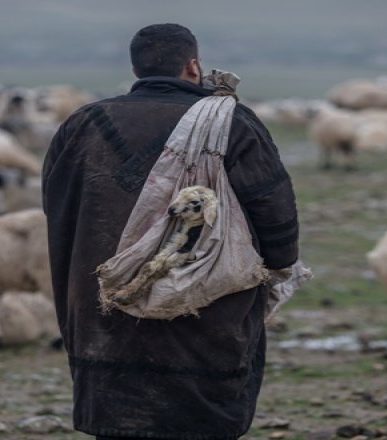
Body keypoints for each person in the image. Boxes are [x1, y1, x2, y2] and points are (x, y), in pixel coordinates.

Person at [42, 23, 299, 440]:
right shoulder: (230, 123)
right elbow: (274, 208)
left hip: (103, 307)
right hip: (208, 309)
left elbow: (57, 208)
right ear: (193, 65)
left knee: (119, 419)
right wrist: (278, 266)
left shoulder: (82, 125)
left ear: (136, 67)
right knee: (202, 422)